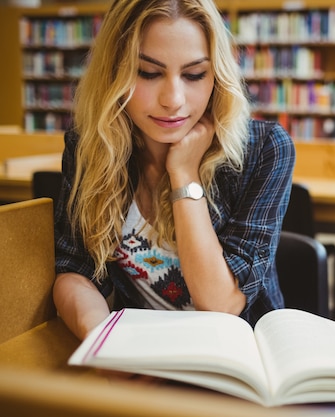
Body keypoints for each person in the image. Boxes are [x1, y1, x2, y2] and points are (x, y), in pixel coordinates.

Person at [53, 0, 295, 341]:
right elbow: (73, 268)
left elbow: (222, 304)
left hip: (242, 361)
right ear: (114, 72)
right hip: (146, 356)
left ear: (217, 76)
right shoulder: (90, 148)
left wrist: (184, 174)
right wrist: (102, 339)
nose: (174, 99)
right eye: (149, 73)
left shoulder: (265, 149)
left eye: (195, 74)